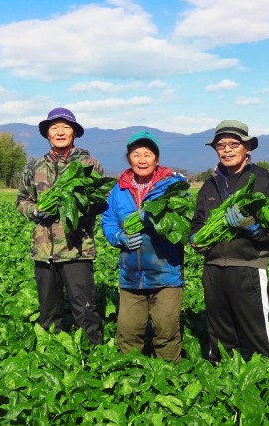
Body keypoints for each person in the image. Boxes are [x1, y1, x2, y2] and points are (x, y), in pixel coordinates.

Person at [190, 120, 269, 364]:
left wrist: (254, 230)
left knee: (256, 331)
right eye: (221, 145)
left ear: (247, 147)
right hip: (214, 268)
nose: (226, 150)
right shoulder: (209, 184)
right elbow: (197, 222)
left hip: (248, 266)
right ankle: (223, 375)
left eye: (233, 144)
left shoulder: (264, 180)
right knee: (219, 331)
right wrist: (195, 238)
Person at [16, 107, 103, 345]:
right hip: (43, 251)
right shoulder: (35, 166)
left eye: (66, 127)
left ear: (74, 132)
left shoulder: (89, 164)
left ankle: (94, 359)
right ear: (48, 135)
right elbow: (22, 199)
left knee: (85, 309)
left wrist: (77, 204)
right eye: (54, 128)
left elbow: (101, 201)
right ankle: (50, 357)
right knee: (48, 310)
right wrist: (34, 211)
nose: (60, 132)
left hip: (76, 249)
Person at [101, 130, 187, 363]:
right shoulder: (118, 190)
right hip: (131, 275)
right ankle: (130, 377)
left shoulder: (171, 186)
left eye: (147, 154)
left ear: (156, 159)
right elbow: (108, 220)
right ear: (128, 158)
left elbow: (186, 220)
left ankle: (170, 377)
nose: (142, 160)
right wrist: (119, 236)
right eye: (136, 154)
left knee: (166, 330)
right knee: (128, 331)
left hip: (165, 272)